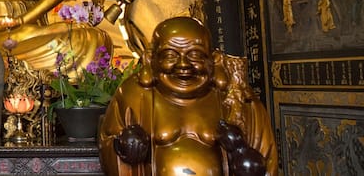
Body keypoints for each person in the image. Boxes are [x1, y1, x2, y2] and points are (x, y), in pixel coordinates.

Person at [99, 16, 277, 175]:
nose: (183, 65)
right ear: (150, 59)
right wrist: (122, 145)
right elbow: (107, 141)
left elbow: (265, 157)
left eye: (195, 55)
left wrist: (240, 152)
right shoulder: (134, 94)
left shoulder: (236, 98)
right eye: (170, 55)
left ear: (214, 60)